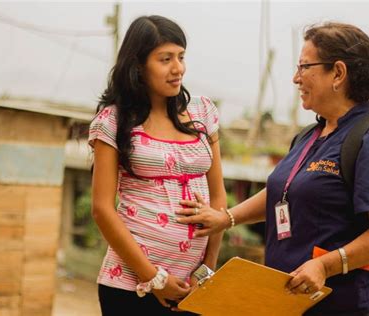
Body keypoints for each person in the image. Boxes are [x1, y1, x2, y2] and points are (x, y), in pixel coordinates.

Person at [177, 22, 369, 315]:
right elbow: (281, 192)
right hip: (288, 304)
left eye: (304, 67)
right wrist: (225, 218)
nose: (295, 78)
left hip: (345, 306)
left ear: (338, 73)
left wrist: (325, 265)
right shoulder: (309, 136)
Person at [89, 15, 226, 315]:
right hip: (130, 287)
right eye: (165, 59)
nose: (178, 68)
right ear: (138, 65)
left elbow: (218, 197)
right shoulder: (113, 121)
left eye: (181, 56)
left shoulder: (202, 111)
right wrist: (153, 278)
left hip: (193, 287)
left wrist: (207, 268)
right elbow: (101, 208)